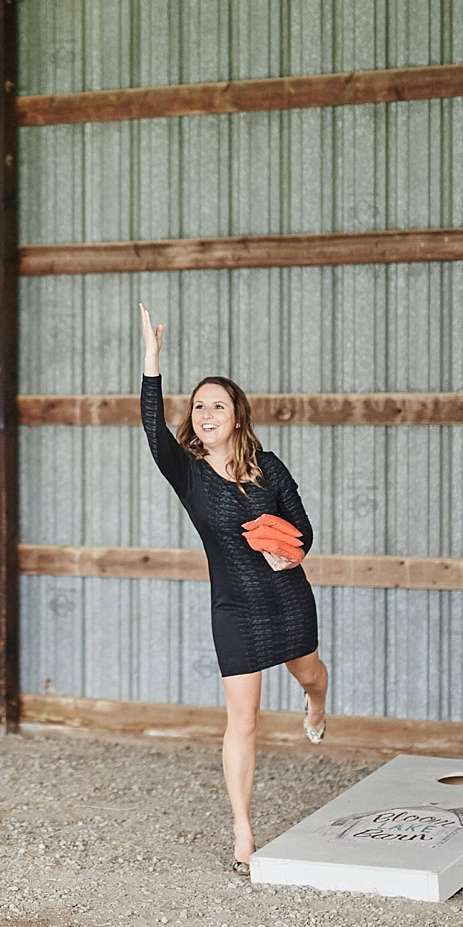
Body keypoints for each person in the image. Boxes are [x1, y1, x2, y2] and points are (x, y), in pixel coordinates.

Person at [137, 304, 329, 871]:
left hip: (285, 598)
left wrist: (287, 555)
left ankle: (317, 706)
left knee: (310, 673)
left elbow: (306, 533)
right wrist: (152, 360)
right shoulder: (189, 474)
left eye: (217, 404)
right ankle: (244, 832)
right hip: (233, 608)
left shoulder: (269, 467)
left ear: (238, 417)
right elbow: (153, 428)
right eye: (198, 406)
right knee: (242, 720)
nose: (205, 413)